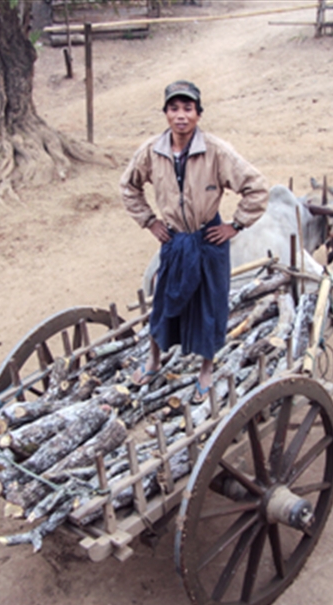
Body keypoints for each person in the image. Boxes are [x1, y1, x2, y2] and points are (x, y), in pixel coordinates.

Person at [120, 80, 269, 403]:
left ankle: (205, 370)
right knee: (162, 300)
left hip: (208, 239)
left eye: (188, 109)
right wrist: (150, 221)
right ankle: (154, 360)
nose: (181, 116)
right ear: (166, 114)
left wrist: (236, 225)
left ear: (198, 115)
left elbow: (256, 187)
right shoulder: (152, 151)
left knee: (210, 305)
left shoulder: (216, 151)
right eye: (174, 109)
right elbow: (128, 187)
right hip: (174, 239)